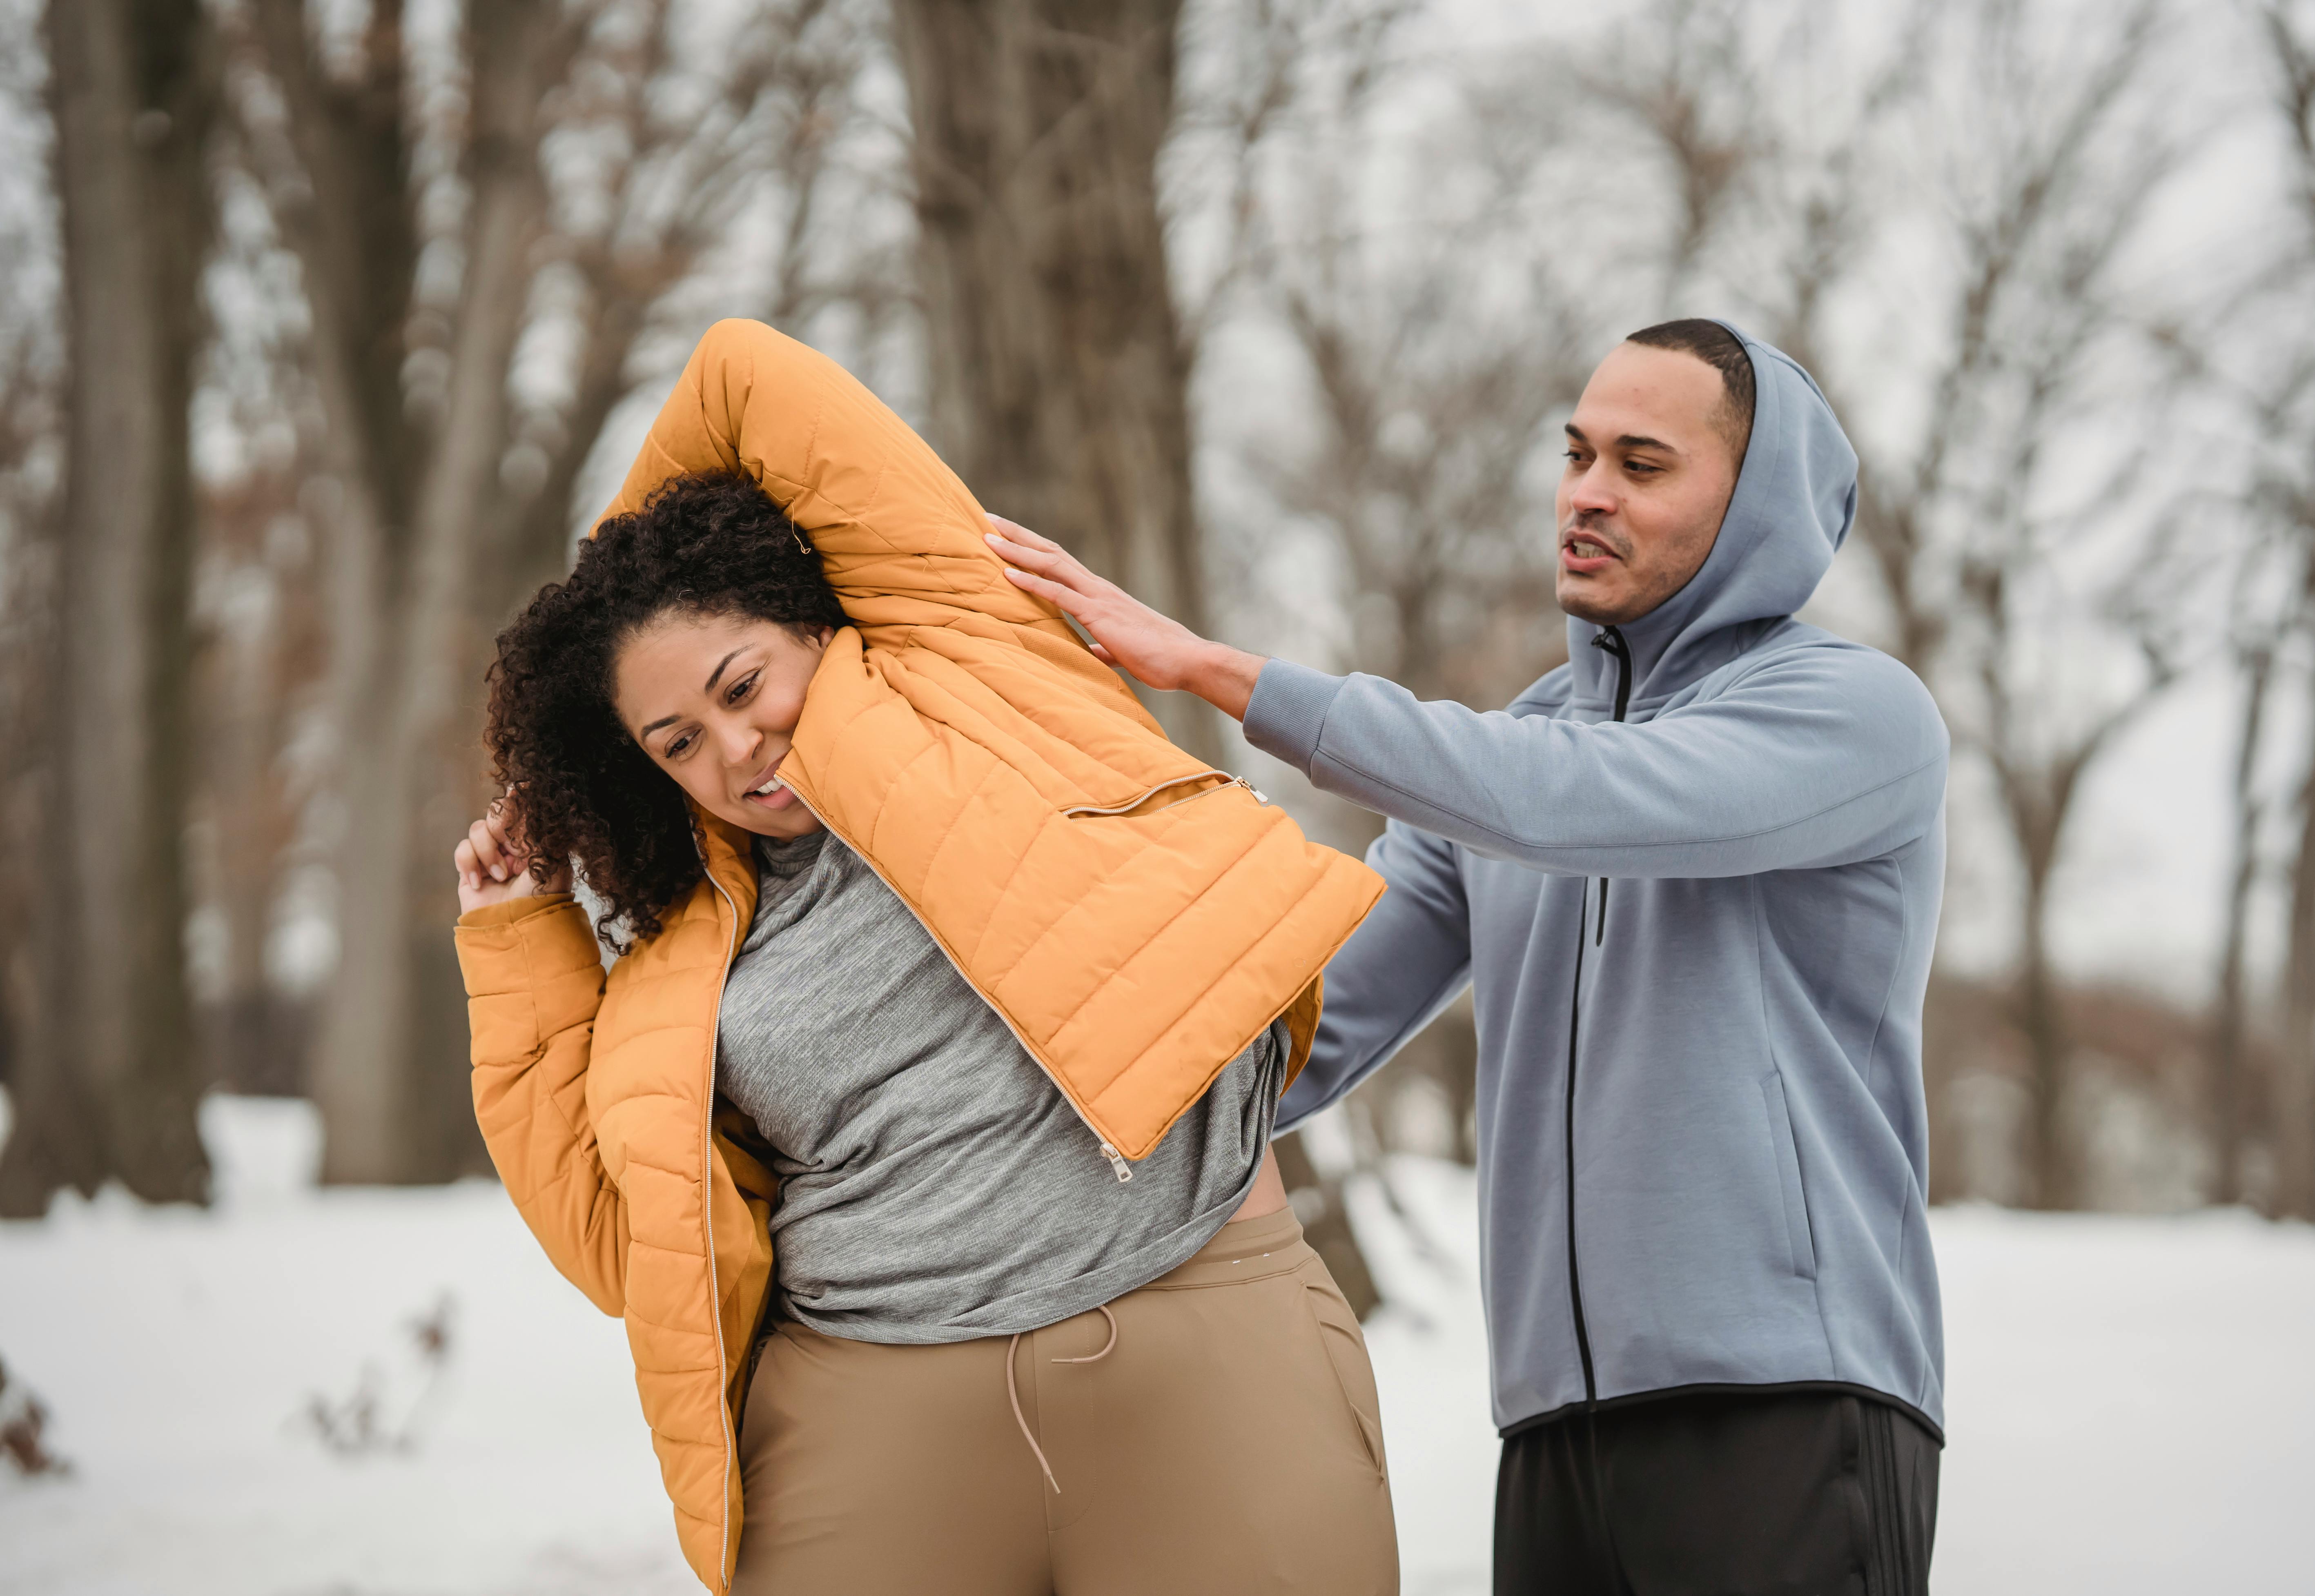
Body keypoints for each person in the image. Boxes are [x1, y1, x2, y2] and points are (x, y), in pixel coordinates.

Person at [990, 318, 1951, 1595]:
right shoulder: (1511, 765)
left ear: (1755, 503)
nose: (1587, 494)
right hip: (1554, 1433)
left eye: (1643, 464)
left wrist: (1224, 675)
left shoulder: (1853, 716)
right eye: (1577, 455)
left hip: (1788, 1399)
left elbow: (1575, 799)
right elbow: (1291, 1032)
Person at [448, 320, 1397, 1596]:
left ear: (818, 628)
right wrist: (520, 946)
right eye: (674, 740)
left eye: (743, 685)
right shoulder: (682, 939)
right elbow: (626, 1242)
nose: (732, 749)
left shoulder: (981, 675)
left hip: (1199, 1346)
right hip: (868, 1418)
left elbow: (741, 372)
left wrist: (605, 607)